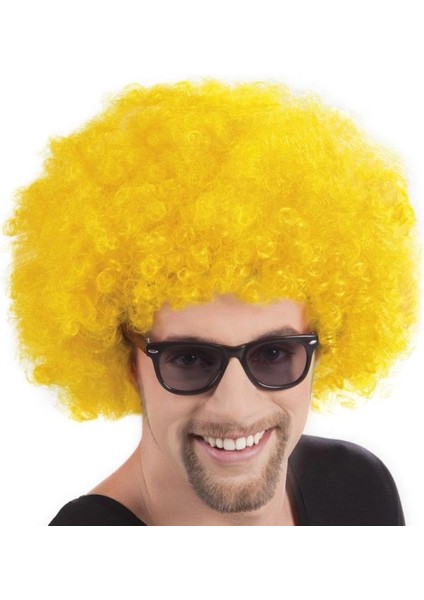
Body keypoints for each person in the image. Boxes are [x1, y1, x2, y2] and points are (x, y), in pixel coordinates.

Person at [5, 80, 419, 525]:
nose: (235, 408)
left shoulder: (358, 487)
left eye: (274, 355)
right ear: (129, 363)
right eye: (190, 359)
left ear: (322, 350)